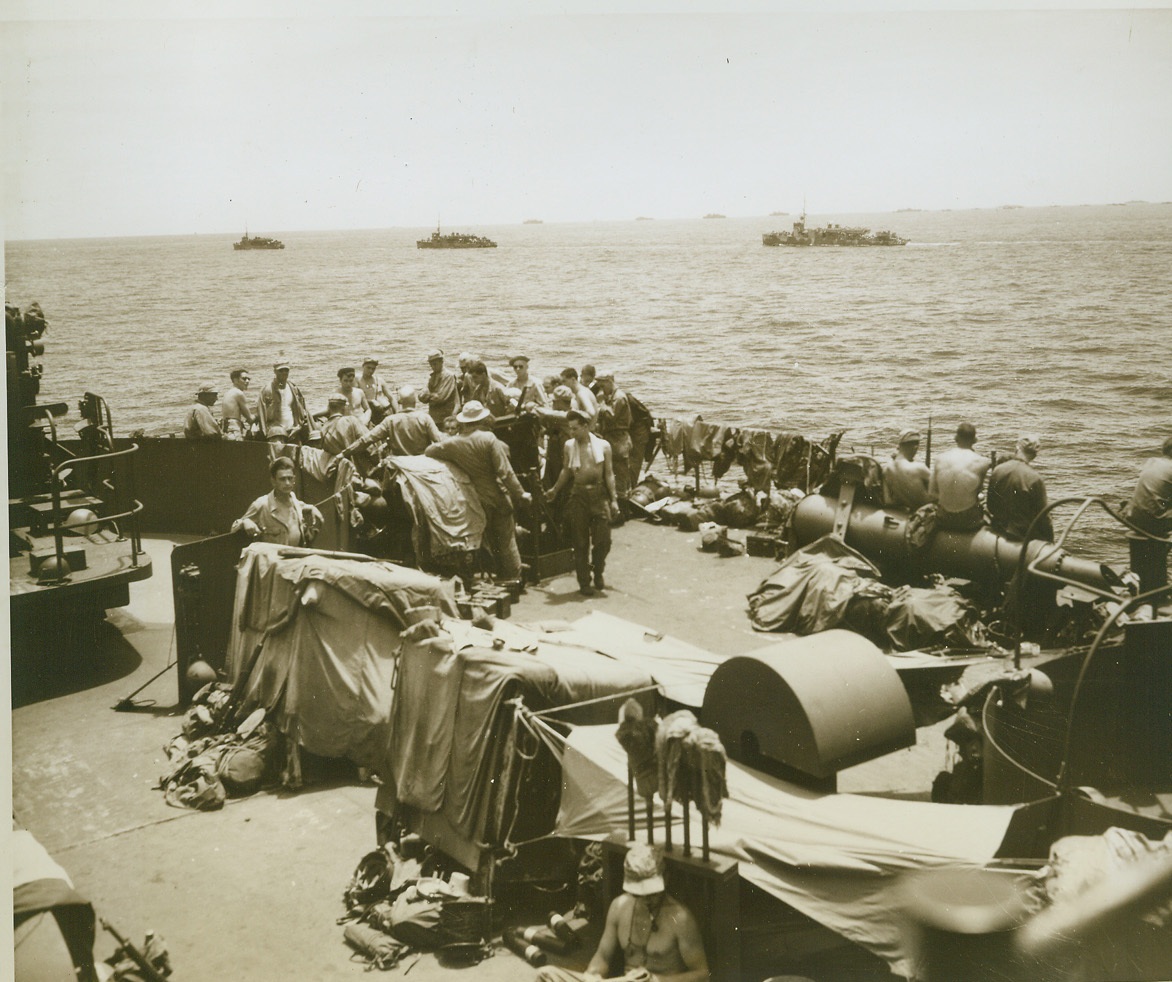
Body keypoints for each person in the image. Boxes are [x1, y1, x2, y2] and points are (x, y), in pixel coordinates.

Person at [535, 844, 709, 982]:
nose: (647, 899)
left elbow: (702, 975)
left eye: (652, 893)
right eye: (640, 894)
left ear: (666, 878)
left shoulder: (680, 918)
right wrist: (593, 975)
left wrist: (658, 980)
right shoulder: (620, 906)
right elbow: (603, 956)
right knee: (546, 975)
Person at [425, 400, 531, 580]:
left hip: (475, 499)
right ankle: (513, 580)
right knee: (506, 541)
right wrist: (521, 494)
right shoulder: (488, 439)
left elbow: (429, 451)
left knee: (488, 540)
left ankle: (497, 577)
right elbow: (505, 472)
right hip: (497, 495)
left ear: (463, 422)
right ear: (481, 420)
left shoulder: (453, 444)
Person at [547, 409, 618, 596]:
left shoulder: (603, 446)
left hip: (599, 494)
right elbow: (566, 471)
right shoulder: (569, 446)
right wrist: (555, 490)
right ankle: (584, 581)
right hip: (578, 496)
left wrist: (614, 499)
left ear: (586, 426)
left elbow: (609, 474)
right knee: (580, 542)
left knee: (604, 540)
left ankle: (598, 570)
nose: (572, 433)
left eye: (576, 428)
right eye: (570, 429)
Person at [231, 455, 323, 547]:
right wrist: (244, 522)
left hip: (296, 556)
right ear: (273, 481)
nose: (287, 483)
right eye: (282, 479)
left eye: (290, 478)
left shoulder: (294, 501)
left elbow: (301, 506)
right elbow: (234, 530)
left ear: (294, 480)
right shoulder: (262, 504)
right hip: (273, 559)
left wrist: (311, 508)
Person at [1122, 435, 1172, 595]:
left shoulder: (1152, 462)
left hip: (1133, 519)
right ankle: (1156, 594)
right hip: (1154, 522)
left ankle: (1148, 591)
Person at [343, 385, 442, 459]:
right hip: (421, 463)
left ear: (400, 402)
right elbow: (439, 440)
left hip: (399, 465)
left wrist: (344, 453)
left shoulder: (390, 420)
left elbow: (367, 439)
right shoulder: (424, 418)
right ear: (415, 401)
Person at [987, 435, 1053, 541]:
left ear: (1017, 449)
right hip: (1022, 535)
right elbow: (1043, 517)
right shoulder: (1035, 478)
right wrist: (1050, 541)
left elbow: (991, 506)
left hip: (997, 529)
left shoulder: (998, 470)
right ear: (1034, 455)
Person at [929, 422, 991, 531]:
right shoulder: (983, 462)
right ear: (974, 440)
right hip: (968, 521)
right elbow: (978, 492)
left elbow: (932, 493)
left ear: (955, 438)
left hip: (943, 518)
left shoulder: (939, 458)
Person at [594, 370, 634, 497]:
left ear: (609, 382)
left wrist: (601, 403)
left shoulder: (619, 397)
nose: (601, 389)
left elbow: (611, 416)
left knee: (620, 474)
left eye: (602, 386)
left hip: (619, 439)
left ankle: (623, 503)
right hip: (613, 438)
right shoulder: (611, 396)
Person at [256, 360, 309, 441]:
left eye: (286, 370)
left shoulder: (293, 388)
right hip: (275, 434)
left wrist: (298, 426)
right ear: (275, 371)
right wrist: (266, 432)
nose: (284, 372)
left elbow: (300, 409)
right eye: (281, 370)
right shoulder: (267, 390)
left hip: (293, 431)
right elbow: (261, 413)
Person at [882, 429, 931, 510]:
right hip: (929, 511)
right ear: (915, 447)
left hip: (911, 513)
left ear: (899, 446)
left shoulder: (886, 470)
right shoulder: (919, 468)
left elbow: (888, 501)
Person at [418, 349, 461, 427]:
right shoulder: (432, 377)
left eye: (434, 364)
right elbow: (421, 397)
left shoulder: (449, 376)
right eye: (431, 364)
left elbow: (441, 397)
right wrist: (428, 396)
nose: (432, 367)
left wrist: (427, 396)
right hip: (434, 418)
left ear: (441, 361)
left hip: (447, 418)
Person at [320, 393, 369, 457]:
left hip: (335, 463)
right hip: (353, 463)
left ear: (329, 408)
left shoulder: (323, 428)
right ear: (344, 407)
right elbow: (367, 440)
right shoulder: (351, 420)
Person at [358, 357, 396, 426]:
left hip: (386, 411)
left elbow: (391, 398)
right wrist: (371, 401)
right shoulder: (358, 381)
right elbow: (355, 398)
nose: (370, 371)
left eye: (373, 369)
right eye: (368, 368)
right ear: (363, 366)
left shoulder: (379, 380)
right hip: (371, 414)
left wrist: (398, 414)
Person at [221, 369, 255, 439]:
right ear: (235, 380)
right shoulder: (238, 393)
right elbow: (250, 418)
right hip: (234, 430)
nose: (247, 381)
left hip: (226, 430)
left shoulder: (228, 393)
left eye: (248, 379)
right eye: (244, 379)